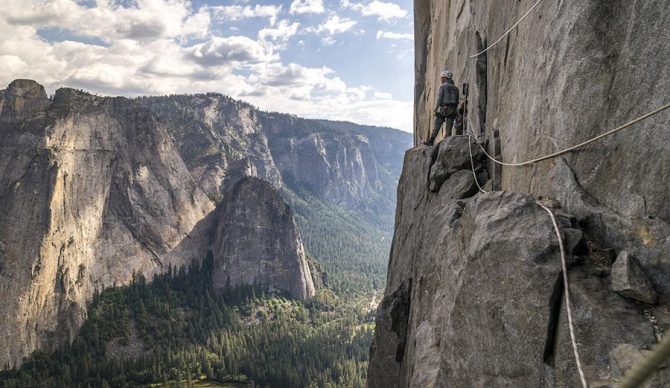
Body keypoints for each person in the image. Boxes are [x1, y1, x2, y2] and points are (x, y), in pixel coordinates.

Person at [424, 70, 460, 146]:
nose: (441, 80)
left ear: (445, 78)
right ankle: (447, 144)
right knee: (449, 128)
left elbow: (439, 98)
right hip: (452, 109)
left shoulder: (443, 86)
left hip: (443, 108)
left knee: (437, 124)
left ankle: (431, 141)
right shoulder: (456, 89)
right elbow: (457, 101)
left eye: (442, 78)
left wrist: (436, 108)